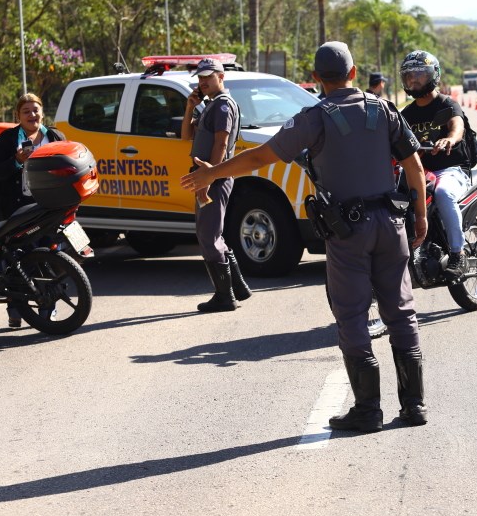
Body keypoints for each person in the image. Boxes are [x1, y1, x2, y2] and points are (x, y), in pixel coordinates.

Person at [181, 41, 429, 432]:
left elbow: (261, 156)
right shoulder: (383, 109)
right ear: (354, 72)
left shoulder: (314, 118)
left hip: (349, 232)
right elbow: (413, 165)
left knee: (352, 317)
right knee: (401, 312)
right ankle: (414, 407)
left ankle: (368, 410)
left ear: (315, 79)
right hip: (391, 223)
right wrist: (420, 216)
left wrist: (213, 172)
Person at [0, 92, 66, 328]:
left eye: (35, 110)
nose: (32, 115)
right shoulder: (8, 139)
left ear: (42, 112)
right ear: (18, 116)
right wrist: (17, 160)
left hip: (50, 206)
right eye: (26, 111)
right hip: (16, 208)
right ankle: (15, 308)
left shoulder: (55, 136)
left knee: (50, 258)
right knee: (17, 259)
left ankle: (48, 306)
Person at [180, 57, 252, 312]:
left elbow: (221, 143)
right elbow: (186, 135)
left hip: (214, 177)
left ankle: (225, 296)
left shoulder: (223, 106)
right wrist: (191, 107)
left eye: (207, 77)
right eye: (200, 78)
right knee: (212, 233)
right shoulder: (210, 105)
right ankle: (238, 288)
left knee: (208, 236)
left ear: (221, 77)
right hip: (207, 176)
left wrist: (210, 175)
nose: (203, 82)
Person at [399, 50, 471, 278]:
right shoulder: (406, 114)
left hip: (451, 169)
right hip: (419, 171)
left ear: (433, 74)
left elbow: (456, 126)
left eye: (419, 74)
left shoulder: (446, 104)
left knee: (442, 193)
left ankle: (459, 254)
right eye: (409, 75)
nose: (413, 79)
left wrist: (450, 138)